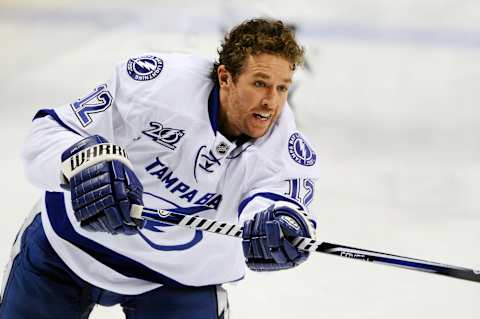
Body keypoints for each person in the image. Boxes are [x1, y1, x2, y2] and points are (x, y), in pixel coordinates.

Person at [0, 18, 319, 318]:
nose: (271, 102)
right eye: (260, 83)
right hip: (70, 247)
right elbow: (47, 135)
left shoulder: (286, 150)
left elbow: (278, 205)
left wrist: (281, 230)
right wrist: (85, 162)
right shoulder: (156, 85)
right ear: (225, 77)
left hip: (178, 280)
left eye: (282, 88)